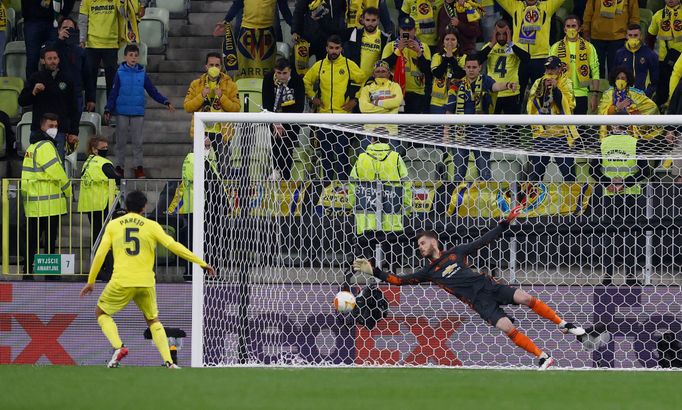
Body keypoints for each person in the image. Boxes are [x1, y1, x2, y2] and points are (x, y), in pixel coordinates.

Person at [352, 205, 586, 369]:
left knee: (525, 297)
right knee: (506, 327)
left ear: (433, 241)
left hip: (489, 287)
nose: (420, 248)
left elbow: (484, 240)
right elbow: (399, 281)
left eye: (422, 243)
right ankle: (543, 357)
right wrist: (373, 271)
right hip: (479, 303)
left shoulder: (457, 252)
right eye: (418, 246)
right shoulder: (428, 273)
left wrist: (505, 222)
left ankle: (563, 324)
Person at [80, 190, 216, 368]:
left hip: (121, 280)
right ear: (144, 207)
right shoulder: (151, 225)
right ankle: (169, 362)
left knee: (101, 312)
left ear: (127, 206)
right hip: (146, 282)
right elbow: (173, 245)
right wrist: (201, 262)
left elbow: (100, 254)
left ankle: (118, 347)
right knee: (153, 320)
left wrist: (91, 281)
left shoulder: (113, 225)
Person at [588, 125, 652, 285]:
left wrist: (608, 183)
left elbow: (592, 170)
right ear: (628, 126)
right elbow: (645, 171)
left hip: (610, 194)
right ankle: (630, 276)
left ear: (611, 126)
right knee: (631, 236)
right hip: (632, 194)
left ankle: (607, 277)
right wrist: (626, 183)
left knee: (610, 235)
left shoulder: (602, 143)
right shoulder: (636, 143)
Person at [445, 53, 518, 182]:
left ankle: (486, 199)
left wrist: (507, 85)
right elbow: (449, 110)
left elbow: (495, 87)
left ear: (480, 68)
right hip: (460, 130)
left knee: (484, 171)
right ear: (465, 68)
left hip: (481, 130)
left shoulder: (486, 80)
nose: (471, 70)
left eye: (474, 67)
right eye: (468, 67)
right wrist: (446, 133)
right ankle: (457, 200)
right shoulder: (456, 84)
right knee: (458, 173)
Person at [105, 44, 174, 179]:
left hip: (137, 112)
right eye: (131, 55)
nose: (133, 58)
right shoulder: (119, 73)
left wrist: (165, 101)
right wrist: (108, 108)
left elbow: (152, 91)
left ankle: (138, 168)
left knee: (138, 142)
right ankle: (120, 167)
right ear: (125, 57)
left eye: (136, 55)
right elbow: (113, 92)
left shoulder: (142, 73)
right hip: (122, 111)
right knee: (121, 142)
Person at [303, 35, 365, 181]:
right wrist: (313, 97)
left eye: (337, 48)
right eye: (331, 48)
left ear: (341, 49)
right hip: (324, 116)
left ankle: (344, 183)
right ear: (326, 48)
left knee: (342, 152)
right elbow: (306, 81)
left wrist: (355, 100)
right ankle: (328, 184)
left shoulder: (348, 65)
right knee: (326, 153)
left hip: (342, 117)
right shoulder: (319, 66)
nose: (334, 51)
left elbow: (364, 80)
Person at [21, 113, 72, 280]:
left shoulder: (30, 148)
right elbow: (57, 172)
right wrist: (68, 190)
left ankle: (28, 273)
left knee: (32, 241)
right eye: (51, 126)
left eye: (56, 126)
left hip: (33, 204)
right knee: (49, 241)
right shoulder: (46, 147)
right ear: (42, 126)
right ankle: (50, 274)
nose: (54, 129)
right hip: (49, 203)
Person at [349, 135, 411, 271]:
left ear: (372, 140)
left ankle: (371, 274)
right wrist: (406, 205)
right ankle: (391, 276)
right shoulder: (395, 157)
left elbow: (352, 183)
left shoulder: (362, 157)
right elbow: (406, 182)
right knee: (390, 248)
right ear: (388, 140)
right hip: (391, 213)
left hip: (367, 214)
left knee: (368, 247)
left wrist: (354, 203)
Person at [183, 52, 241, 176]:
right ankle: (203, 194)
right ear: (206, 66)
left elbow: (236, 108)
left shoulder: (230, 85)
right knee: (199, 169)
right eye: (211, 65)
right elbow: (187, 107)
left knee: (224, 169)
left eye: (217, 65)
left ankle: (222, 194)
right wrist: (202, 95)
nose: (214, 68)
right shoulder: (196, 84)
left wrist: (222, 97)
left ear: (221, 67)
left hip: (222, 132)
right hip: (201, 131)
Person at [18, 46, 79, 160]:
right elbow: (21, 101)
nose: (53, 61)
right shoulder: (35, 78)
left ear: (59, 59)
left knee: (57, 165)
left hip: (59, 131)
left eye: (55, 58)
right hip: (38, 130)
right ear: (43, 60)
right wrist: (33, 92)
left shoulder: (67, 79)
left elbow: (74, 108)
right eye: (49, 58)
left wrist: (74, 131)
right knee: (37, 164)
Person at [496, 0, 564, 100]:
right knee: (516, 95)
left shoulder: (547, 7)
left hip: (541, 58)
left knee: (541, 95)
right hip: (519, 59)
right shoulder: (515, 6)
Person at [526, 56, 578, 182]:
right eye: (547, 68)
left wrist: (556, 90)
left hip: (562, 137)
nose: (549, 72)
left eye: (552, 69)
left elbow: (569, 106)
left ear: (560, 69)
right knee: (535, 176)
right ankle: (535, 200)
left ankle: (572, 200)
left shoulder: (566, 83)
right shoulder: (538, 82)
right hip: (542, 135)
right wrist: (543, 89)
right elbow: (530, 106)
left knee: (569, 175)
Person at [213, 0, 292, 79]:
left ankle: (266, 90)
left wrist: (296, 30)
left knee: (267, 71)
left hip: (266, 35)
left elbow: (284, 9)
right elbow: (237, 5)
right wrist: (226, 20)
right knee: (243, 70)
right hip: (246, 34)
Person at [262, 58, 305, 180]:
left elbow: (299, 106)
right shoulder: (268, 79)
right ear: (275, 71)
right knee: (275, 145)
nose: (281, 76)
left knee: (287, 147)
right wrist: (275, 122)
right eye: (278, 73)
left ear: (290, 71)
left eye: (284, 73)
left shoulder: (297, 81)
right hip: (273, 118)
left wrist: (284, 122)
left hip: (292, 119)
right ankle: (275, 171)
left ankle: (285, 176)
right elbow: (267, 103)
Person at [549, 15, 600, 114]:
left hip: (581, 93)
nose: (571, 29)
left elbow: (595, 72)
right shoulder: (555, 47)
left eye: (573, 26)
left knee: (579, 127)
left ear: (579, 28)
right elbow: (549, 71)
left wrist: (594, 95)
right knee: (563, 127)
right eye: (568, 26)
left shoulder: (589, 47)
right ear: (564, 29)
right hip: (561, 92)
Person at [381, 16, 432, 114]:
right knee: (398, 126)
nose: (407, 32)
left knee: (414, 127)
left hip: (417, 93)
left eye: (410, 29)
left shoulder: (423, 47)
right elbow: (383, 68)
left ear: (415, 30)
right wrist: (397, 50)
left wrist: (419, 53)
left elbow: (428, 72)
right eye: (404, 29)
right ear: (399, 30)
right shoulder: (390, 46)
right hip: (395, 92)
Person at [77, 136, 120, 250]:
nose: (105, 149)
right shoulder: (103, 162)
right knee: (106, 235)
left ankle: (96, 261)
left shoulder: (86, 163)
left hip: (91, 204)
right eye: (103, 147)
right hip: (104, 203)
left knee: (96, 235)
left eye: (106, 147)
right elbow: (117, 178)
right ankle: (106, 264)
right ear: (94, 149)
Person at [479, 19, 530, 114]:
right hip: (493, 92)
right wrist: (492, 43)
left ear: (509, 32)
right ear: (494, 33)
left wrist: (510, 43)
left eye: (504, 34)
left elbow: (526, 59)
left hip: (512, 91)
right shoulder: (489, 47)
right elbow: (478, 60)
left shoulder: (516, 47)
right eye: (498, 34)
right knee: (491, 126)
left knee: (512, 127)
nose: (501, 37)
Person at [581, 0, 639, 79]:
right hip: (597, 36)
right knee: (596, 70)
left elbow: (634, 15)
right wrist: (586, 30)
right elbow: (588, 12)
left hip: (619, 37)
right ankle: (596, 90)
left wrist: (633, 35)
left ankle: (615, 90)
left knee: (616, 71)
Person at [52, 17, 96, 119]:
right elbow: (46, 64)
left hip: (76, 94)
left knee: (74, 130)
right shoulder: (52, 47)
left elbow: (88, 76)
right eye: (64, 28)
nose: (67, 31)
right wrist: (59, 41)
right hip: (56, 93)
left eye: (70, 28)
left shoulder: (81, 52)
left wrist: (91, 98)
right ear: (59, 30)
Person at [23, 0, 74, 79]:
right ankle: (31, 89)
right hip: (32, 20)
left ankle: (55, 88)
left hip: (54, 20)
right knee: (32, 59)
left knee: (54, 57)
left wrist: (64, 13)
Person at [79, 0, 121, 97]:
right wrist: (82, 39)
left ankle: (110, 110)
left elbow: (123, 15)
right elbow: (82, 21)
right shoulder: (86, 1)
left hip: (111, 44)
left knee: (112, 82)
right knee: (90, 81)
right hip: (92, 45)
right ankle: (90, 109)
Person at [358, 60, 405, 146]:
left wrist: (377, 102)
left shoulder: (395, 86)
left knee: (392, 158)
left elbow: (396, 102)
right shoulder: (366, 89)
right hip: (369, 131)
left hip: (391, 132)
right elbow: (363, 107)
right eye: (377, 71)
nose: (380, 73)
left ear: (388, 73)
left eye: (383, 71)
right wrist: (388, 108)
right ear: (373, 74)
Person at [344, 7, 393, 87]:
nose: (370, 23)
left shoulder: (385, 38)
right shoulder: (354, 33)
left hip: (374, 83)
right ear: (362, 20)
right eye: (367, 20)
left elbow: (386, 62)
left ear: (378, 20)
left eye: (373, 20)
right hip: (355, 82)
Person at [647, 0, 682, 106]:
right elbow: (650, 38)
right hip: (665, 60)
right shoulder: (658, 15)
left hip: (681, 58)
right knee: (662, 91)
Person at [614, 24, 659, 99]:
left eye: (635, 35)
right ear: (626, 36)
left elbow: (655, 79)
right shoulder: (619, 54)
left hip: (643, 97)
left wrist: (646, 94)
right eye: (630, 35)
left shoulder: (650, 54)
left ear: (641, 36)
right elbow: (614, 76)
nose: (632, 38)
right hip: (623, 97)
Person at [429, 27, 466, 114]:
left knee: (452, 128)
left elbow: (460, 74)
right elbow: (437, 74)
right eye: (447, 39)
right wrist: (446, 58)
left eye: (453, 39)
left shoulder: (463, 57)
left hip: (456, 101)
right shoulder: (437, 56)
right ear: (443, 42)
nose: (450, 42)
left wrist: (451, 58)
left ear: (458, 42)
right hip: (437, 102)